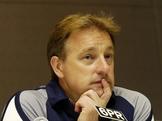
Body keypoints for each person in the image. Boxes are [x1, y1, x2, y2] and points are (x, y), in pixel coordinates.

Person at [1, 13, 154, 121]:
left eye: (108, 56)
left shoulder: (135, 105)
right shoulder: (30, 106)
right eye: (88, 57)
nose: (104, 68)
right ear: (59, 67)